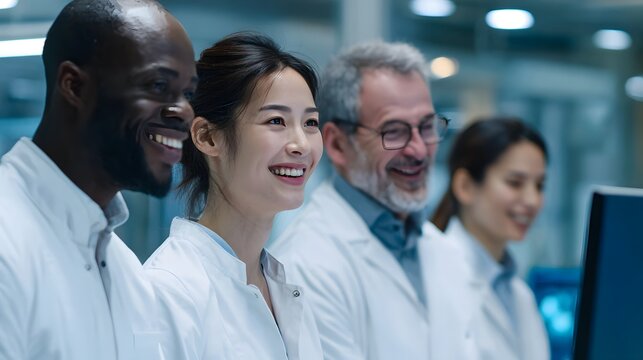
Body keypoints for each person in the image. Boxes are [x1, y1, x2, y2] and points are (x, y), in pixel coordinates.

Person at [0, 0, 197, 358]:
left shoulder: (127, 274)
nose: (184, 111)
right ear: (74, 86)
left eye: (188, 94)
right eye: (157, 85)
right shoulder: (7, 239)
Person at [270, 41, 479, 359]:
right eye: (394, 131)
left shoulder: (444, 253)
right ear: (338, 144)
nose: (419, 150)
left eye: (426, 127)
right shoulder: (304, 265)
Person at [144, 32, 324, 359]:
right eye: (276, 121)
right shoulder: (169, 289)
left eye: (311, 122)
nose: (301, 144)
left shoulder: (284, 288)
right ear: (207, 136)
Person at [431, 117, 551, 360]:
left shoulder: (520, 295)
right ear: (465, 186)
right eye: (515, 183)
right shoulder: (434, 277)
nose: (532, 200)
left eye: (539, 186)